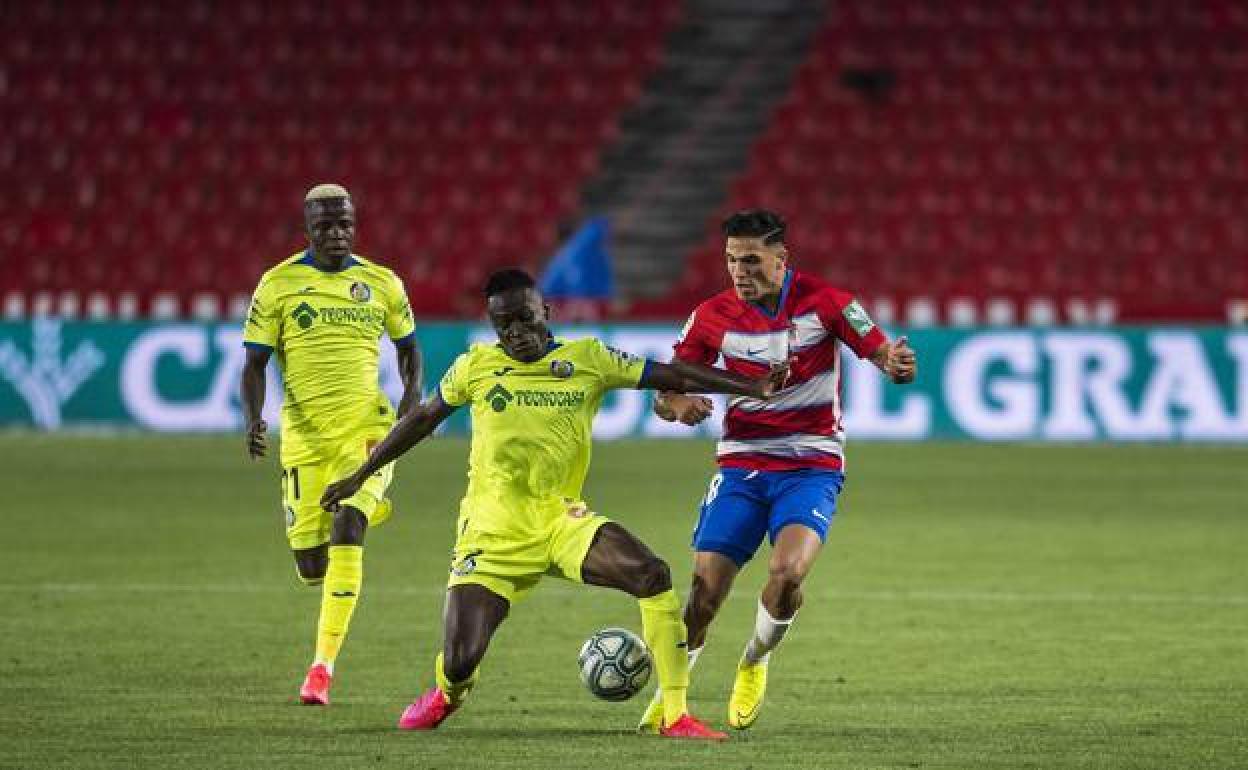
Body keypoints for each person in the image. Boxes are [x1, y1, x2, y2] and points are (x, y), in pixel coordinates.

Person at [320, 268, 787, 740]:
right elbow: (421, 420)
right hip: (491, 531)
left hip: (562, 520)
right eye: (504, 326)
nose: (516, 335)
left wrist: (751, 387)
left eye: (524, 320)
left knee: (652, 574)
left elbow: (673, 373)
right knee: (461, 661)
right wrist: (359, 475)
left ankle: (675, 714)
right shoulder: (474, 367)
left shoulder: (587, 358)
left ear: (547, 311)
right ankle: (447, 695)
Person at [640, 208, 917, 732]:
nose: (739, 271)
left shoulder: (828, 301)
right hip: (742, 461)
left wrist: (895, 363)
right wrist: (675, 407)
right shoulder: (710, 317)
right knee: (704, 592)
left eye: (750, 260)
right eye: (730, 261)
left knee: (788, 573)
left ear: (781, 258)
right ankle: (673, 694)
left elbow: (880, 350)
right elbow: (666, 389)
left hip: (812, 461)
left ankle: (754, 659)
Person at [240, 183, 422, 706]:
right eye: (326, 226)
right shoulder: (278, 284)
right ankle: (329, 583)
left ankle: (321, 669)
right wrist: (254, 417)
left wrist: (411, 394)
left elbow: (410, 351)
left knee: (350, 521)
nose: (337, 233)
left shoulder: (382, 283)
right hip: (303, 439)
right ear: (308, 230)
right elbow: (253, 363)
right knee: (311, 566)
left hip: (367, 431)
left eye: (345, 223)